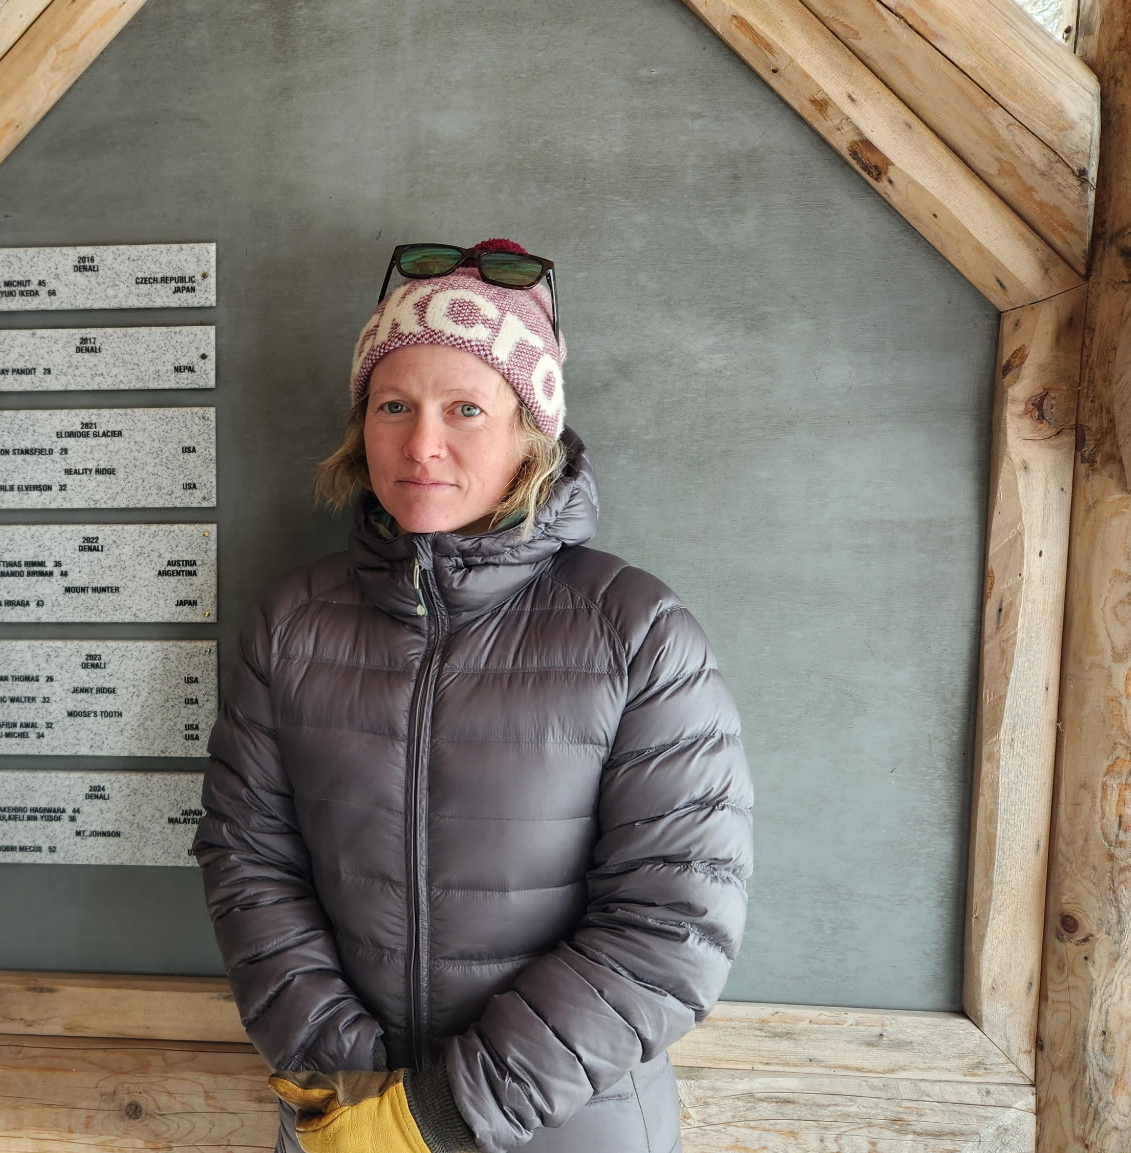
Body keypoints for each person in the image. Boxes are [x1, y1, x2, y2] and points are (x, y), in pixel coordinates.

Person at [193, 240, 753, 1153]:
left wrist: (436, 1118)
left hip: (572, 1126)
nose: (422, 444)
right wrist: (357, 1090)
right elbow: (246, 858)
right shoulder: (290, 619)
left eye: (465, 408)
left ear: (531, 430)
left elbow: (673, 919)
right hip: (346, 1121)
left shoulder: (636, 627)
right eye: (393, 406)